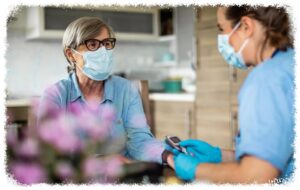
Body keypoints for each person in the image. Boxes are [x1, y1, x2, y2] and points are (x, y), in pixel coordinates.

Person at [171, 6, 295, 184]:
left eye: (222, 29)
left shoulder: (266, 81)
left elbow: (257, 176)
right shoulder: (289, 64)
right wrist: (218, 155)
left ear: (246, 26)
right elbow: (275, 152)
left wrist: (196, 170)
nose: (224, 42)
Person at [37, 17, 173, 166]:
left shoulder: (126, 90)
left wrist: (168, 156)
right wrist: (103, 162)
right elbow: (50, 154)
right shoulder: (55, 95)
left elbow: (140, 141)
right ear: (71, 54)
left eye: (107, 44)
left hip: (124, 175)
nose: (103, 51)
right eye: (93, 44)